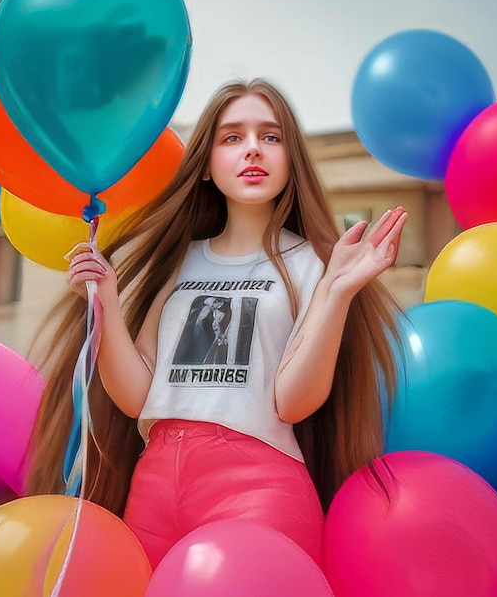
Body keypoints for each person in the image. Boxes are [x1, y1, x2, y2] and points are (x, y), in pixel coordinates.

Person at [26, 78, 407, 568]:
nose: (253, 149)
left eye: (270, 137)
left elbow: (292, 402)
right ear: (206, 165)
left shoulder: (316, 263)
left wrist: (337, 293)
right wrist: (105, 304)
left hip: (259, 488)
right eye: (232, 138)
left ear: (291, 160)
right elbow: (139, 397)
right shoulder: (179, 262)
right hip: (155, 486)